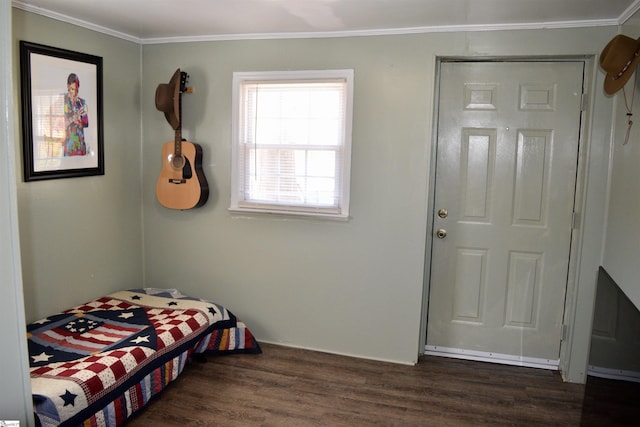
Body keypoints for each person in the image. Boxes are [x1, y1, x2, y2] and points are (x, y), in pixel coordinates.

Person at [63, 73, 88, 156]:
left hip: (80, 145)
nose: (72, 92)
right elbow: (60, 126)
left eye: (74, 89)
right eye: (70, 89)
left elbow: (86, 123)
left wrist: (80, 122)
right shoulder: (63, 101)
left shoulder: (82, 102)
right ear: (67, 86)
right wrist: (72, 119)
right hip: (68, 145)